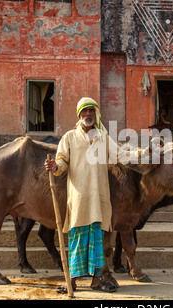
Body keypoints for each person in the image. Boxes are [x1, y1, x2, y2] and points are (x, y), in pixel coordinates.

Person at [44, 97, 116, 293]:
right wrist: (54, 166)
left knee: (97, 242)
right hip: (79, 197)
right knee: (76, 240)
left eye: (91, 111)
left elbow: (118, 155)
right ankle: (72, 280)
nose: (88, 115)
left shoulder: (103, 136)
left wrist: (144, 153)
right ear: (79, 115)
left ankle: (96, 281)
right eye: (84, 112)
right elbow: (62, 162)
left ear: (96, 114)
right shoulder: (69, 137)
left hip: (99, 197)